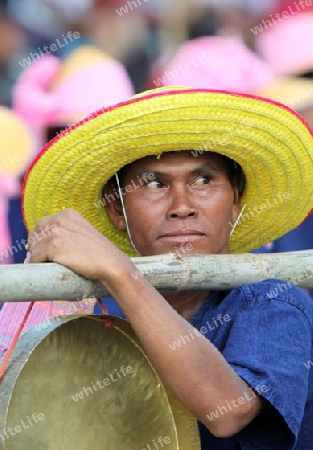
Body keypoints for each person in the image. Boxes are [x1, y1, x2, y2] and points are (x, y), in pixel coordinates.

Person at [2, 86, 313, 449]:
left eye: (204, 180)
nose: (182, 206)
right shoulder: (102, 311)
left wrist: (120, 273)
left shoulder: (274, 304)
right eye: (154, 183)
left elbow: (228, 413)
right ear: (117, 210)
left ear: (235, 202)